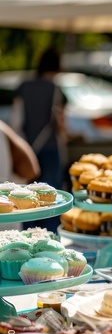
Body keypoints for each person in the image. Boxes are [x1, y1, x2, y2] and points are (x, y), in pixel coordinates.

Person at [10, 47, 67, 232]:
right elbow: (60, 124)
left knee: (25, 199)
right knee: (51, 199)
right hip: (50, 150)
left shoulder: (23, 86)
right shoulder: (56, 89)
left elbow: (16, 121)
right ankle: (49, 240)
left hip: (27, 149)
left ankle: (26, 238)